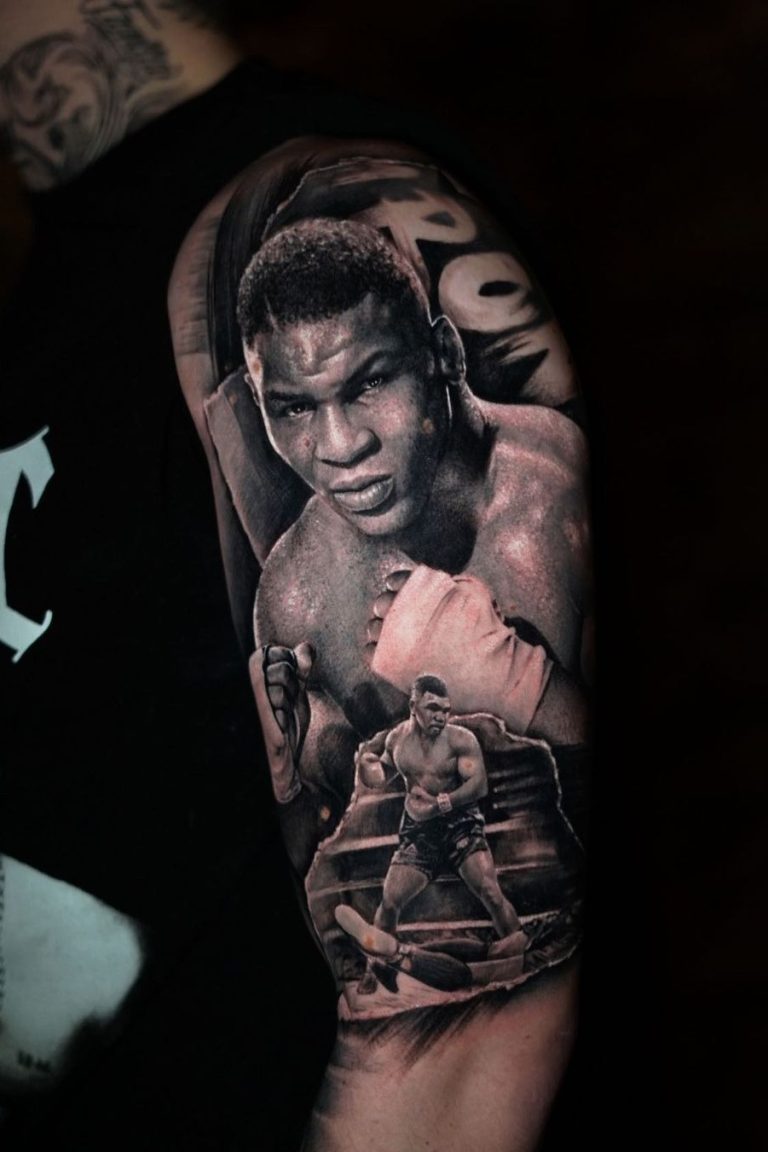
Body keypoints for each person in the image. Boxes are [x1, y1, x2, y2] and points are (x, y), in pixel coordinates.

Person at [239, 217, 589, 825]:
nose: (341, 446)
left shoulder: (556, 495)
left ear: (444, 354)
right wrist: (295, 780)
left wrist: (524, 689)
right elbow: (343, 851)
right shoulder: (296, 597)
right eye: (294, 408)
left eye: (371, 382)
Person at [353, 673, 529, 995]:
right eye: (432, 708)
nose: (440, 716)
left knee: (490, 891)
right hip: (420, 832)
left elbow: (479, 784)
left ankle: (523, 957)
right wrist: (366, 769)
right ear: (413, 706)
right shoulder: (397, 741)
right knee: (390, 901)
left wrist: (441, 804)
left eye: (445, 710)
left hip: (460, 822)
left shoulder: (460, 740)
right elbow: (380, 776)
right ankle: (376, 970)